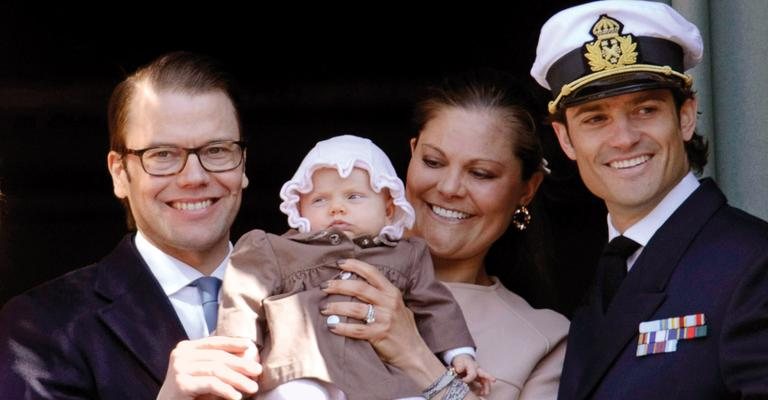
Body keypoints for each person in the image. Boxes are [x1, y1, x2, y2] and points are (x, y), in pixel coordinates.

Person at [529, 1, 768, 398]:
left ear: (686, 116)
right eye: (595, 118)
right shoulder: (607, 271)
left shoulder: (754, 264)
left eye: (645, 109)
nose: (623, 138)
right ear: (566, 139)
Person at [0, 52, 262, 399]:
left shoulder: (315, 296)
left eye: (216, 150)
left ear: (243, 165)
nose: (194, 177)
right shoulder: (40, 326)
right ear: (119, 173)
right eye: (163, 155)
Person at [317, 71, 570, 399]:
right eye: (433, 162)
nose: (449, 188)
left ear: (527, 189)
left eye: (481, 173)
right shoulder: (314, 259)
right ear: (412, 154)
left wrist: (414, 356)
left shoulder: (544, 340)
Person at [218, 134, 490, 399]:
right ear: (298, 208)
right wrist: (241, 345)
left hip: (378, 378)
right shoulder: (279, 250)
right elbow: (244, 291)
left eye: (354, 197)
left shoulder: (407, 255)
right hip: (301, 368)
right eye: (319, 200)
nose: (336, 208)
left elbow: (435, 305)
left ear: (388, 208)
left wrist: (459, 353)